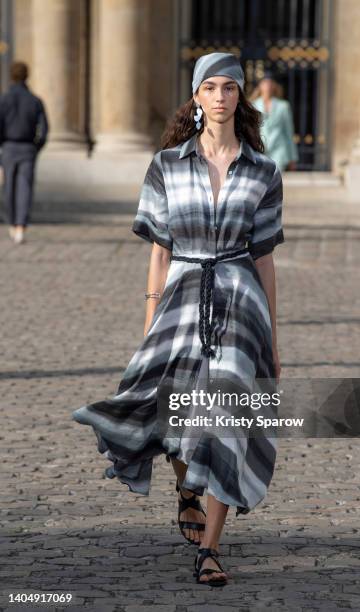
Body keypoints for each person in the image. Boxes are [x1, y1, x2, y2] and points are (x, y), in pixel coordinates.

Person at [72, 52, 285, 587]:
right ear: (196, 97)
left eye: (229, 88)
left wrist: (274, 340)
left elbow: (265, 257)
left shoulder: (264, 172)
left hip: (240, 299)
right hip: (180, 295)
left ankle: (210, 549)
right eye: (209, 87)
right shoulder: (167, 165)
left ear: (241, 98)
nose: (219, 97)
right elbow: (159, 251)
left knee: (227, 418)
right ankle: (187, 484)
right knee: (172, 407)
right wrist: (150, 321)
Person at [0, 61, 49, 244]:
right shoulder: (35, 100)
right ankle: (21, 226)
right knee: (25, 188)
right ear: (26, 76)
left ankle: (13, 224)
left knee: (9, 189)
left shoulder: (4, 99)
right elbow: (44, 129)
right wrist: (36, 147)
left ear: (12, 76)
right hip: (28, 148)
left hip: (9, 148)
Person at [250, 70, 298, 172]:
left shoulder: (283, 106)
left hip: (279, 149)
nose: (268, 86)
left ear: (275, 86)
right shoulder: (253, 106)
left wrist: (292, 158)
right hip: (259, 149)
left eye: (271, 83)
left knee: (276, 179)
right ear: (260, 86)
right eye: (265, 83)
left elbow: (289, 132)